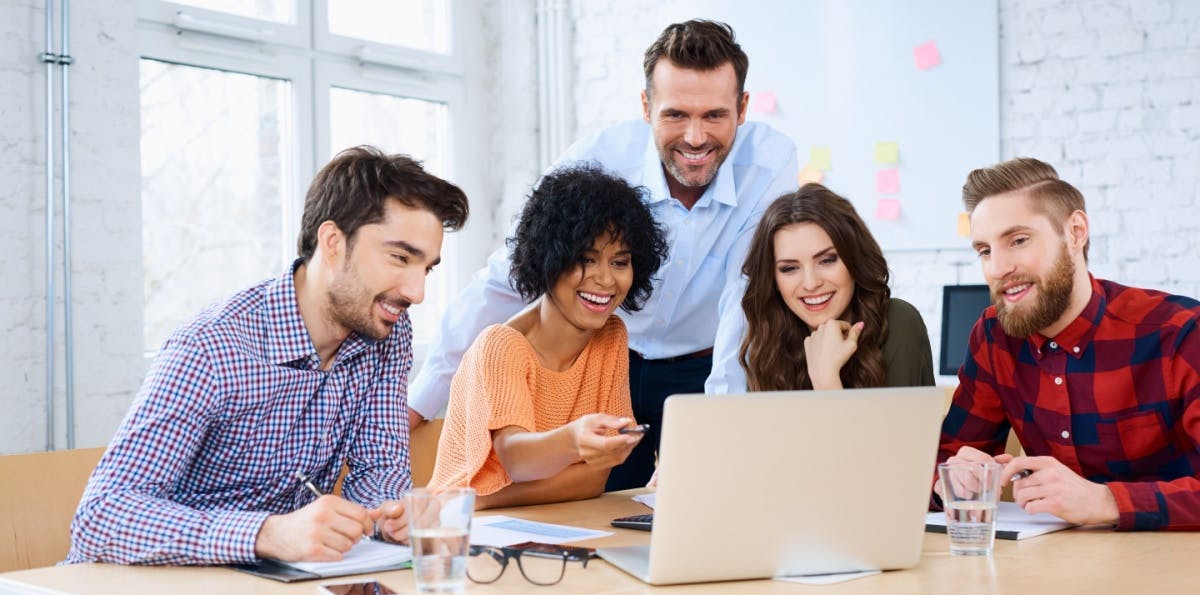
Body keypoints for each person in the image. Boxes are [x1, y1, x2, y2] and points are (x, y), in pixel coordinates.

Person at [409, 20, 797, 491]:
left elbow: (745, 295)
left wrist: (714, 429)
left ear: (743, 108)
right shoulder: (599, 157)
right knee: (604, 504)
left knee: (700, 502)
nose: (695, 138)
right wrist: (421, 402)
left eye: (714, 116)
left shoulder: (771, 162)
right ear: (645, 106)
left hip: (704, 365)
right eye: (675, 115)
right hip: (613, 357)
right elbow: (507, 274)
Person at [66, 146, 470, 565]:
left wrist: (390, 515)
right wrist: (265, 533)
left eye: (426, 269)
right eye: (400, 258)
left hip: (258, 589)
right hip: (127, 593)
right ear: (333, 243)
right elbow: (101, 516)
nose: (416, 292)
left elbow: (379, 470)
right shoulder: (213, 347)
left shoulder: (386, 330)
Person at [936, 157, 1200, 530]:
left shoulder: (1180, 332)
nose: (996, 268)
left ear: (1075, 232)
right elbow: (945, 463)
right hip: (1055, 569)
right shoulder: (994, 336)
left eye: (1019, 240)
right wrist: (957, 478)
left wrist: (1106, 501)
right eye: (984, 250)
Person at [428, 166, 669, 508]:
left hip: (548, 520)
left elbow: (595, 478)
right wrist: (573, 444)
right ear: (549, 258)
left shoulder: (611, 336)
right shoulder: (501, 345)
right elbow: (517, 460)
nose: (605, 280)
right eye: (586, 259)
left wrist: (482, 498)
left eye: (619, 262)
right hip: (464, 529)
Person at [739, 184, 934, 391]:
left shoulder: (898, 323)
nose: (811, 283)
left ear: (854, 260)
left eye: (827, 260)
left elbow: (899, 425)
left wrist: (825, 378)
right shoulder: (769, 341)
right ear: (773, 280)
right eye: (789, 268)